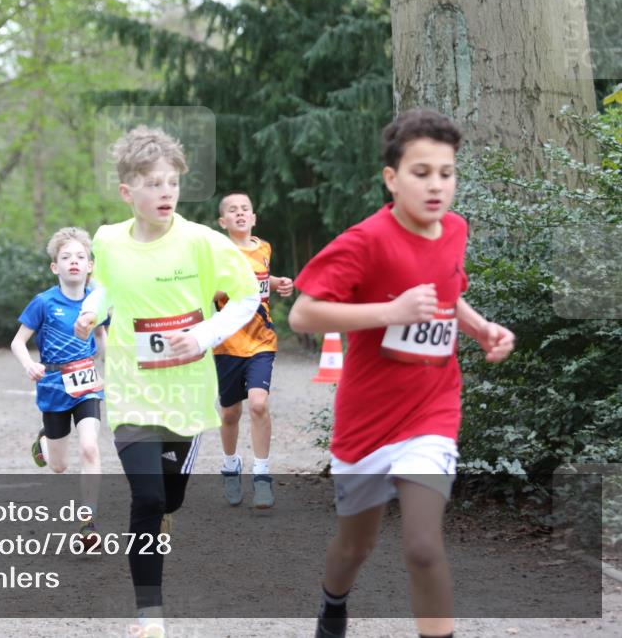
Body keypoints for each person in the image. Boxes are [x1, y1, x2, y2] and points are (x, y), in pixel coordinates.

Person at [289, 108, 515, 638]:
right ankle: (333, 606)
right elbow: (303, 313)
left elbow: (448, 292)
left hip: (432, 410)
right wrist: (388, 312)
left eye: (446, 172)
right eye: (421, 173)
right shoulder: (366, 241)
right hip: (366, 421)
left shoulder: (454, 229)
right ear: (391, 179)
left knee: (422, 545)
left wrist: (480, 328)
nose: (436, 185)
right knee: (355, 545)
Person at [74, 126, 259, 638]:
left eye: (172, 183)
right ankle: (149, 616)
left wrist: (202, 335)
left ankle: (164, 514)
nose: (165, 193)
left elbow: (245, 298)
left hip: (186, 391)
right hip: (133, 388)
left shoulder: (203, 241)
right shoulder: (108, 238)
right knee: (148, 500)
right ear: (127, 192)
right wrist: (91, 312)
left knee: (169, 499)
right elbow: (106, 284)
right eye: (152, 184)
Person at [10, 227, 107, 540]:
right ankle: (45, 440)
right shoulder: (43, 302)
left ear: (90, 264)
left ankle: (88, 522)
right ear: (56, 267)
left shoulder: (97, 301)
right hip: (53, 385)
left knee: (90, 447)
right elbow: (17, 342)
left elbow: (103, 337)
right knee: (59, 466)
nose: (74, 262)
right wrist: (29, 365)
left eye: (80, 257)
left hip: (87, 384)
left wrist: (107, 367)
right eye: (66, 257)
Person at [213, 191, 294, 508]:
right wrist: (236, 284)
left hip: (262, 339)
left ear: (254, 217)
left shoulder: (264, 248)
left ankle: (262, 475)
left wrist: (278, 283)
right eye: (232, 210)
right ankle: (230, 465)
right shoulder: (219, 253)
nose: (240, 213)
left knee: (259, 404)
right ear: (223, 221)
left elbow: (261, 278)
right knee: (231, 412)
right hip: (227, 342)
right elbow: (211, 290)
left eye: (245, 208)